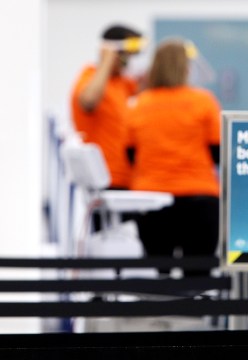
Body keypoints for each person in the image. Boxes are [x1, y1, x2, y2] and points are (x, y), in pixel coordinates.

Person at [126, 38, 223, 277]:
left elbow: (130, 154)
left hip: (151, 201)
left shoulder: (138, 104)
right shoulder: (203, 101)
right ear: (185, 68)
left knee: (161, 276)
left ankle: (161, 315)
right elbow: (218, 152)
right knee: (199, 276)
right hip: (200, 199)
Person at [70, 24, 146, 231]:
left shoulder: (123, 83)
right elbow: (88, 100)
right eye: (124, 56)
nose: (128, 62)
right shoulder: (90, 76)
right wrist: (106, 60)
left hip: (128, 179)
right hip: (103, 180)